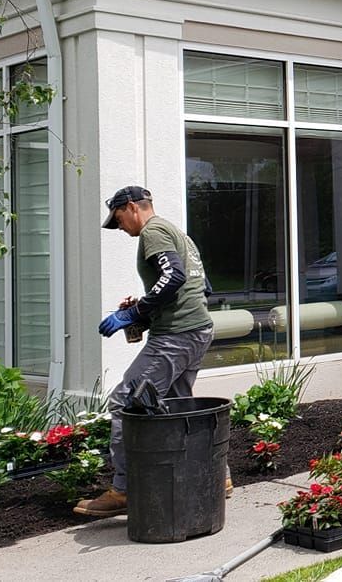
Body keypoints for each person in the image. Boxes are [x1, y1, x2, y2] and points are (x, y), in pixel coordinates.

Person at [75, 185, 216, 517]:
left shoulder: (153, 232)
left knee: (126, 400)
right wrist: (144, 308)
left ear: (131, 207)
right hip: (196, 329)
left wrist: (135, 313)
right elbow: (201, 286)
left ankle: (123, 490)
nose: (120, 227)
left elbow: (174, 277)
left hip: (175, 337)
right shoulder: (176, 232)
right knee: (179, 406)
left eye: (119, 219)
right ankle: (216, 475)